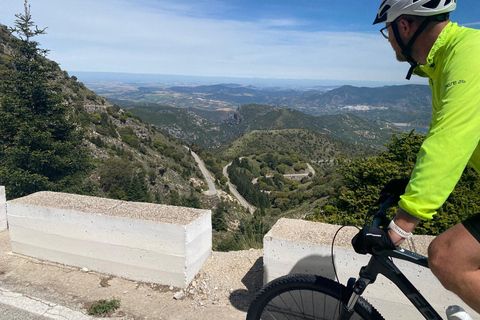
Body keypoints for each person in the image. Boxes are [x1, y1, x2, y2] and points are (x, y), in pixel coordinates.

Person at [352, 0, 480, 315]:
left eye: (388, 31)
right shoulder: (448, 58)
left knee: (447, 257)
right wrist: (411, 183)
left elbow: (449, 141)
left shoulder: (469, 55)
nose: (390, 40)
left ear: (405, 26)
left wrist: (402, 225)